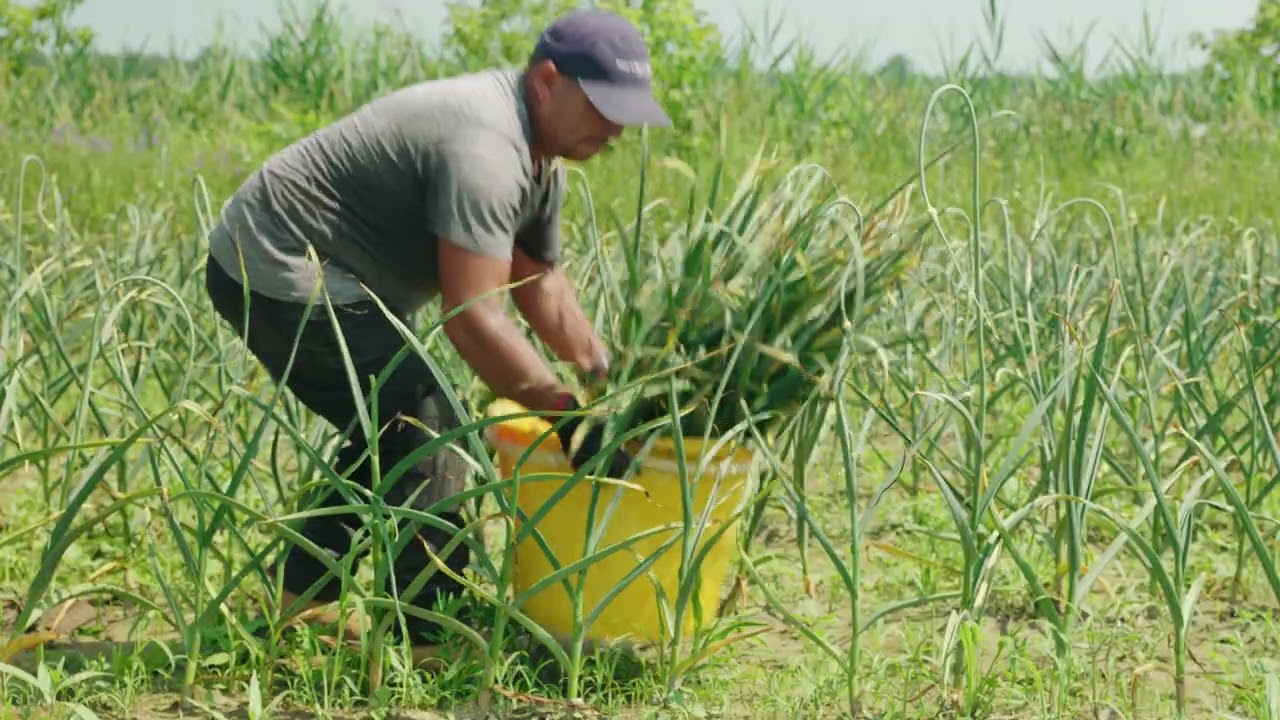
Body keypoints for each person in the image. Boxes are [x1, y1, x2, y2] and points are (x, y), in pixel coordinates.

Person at [202, 8, 671, 664]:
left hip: (346, 281)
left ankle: (300, 607)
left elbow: (536, 279)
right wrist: (568, 418)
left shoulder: (541, 161)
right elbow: (474, 319)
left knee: (392, 429)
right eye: (604, 105)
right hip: (275, 264)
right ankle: (427, 638)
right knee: (428, 430)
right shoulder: (484, 148)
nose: (617, 126)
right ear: (547, 80)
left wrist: (601, 372)